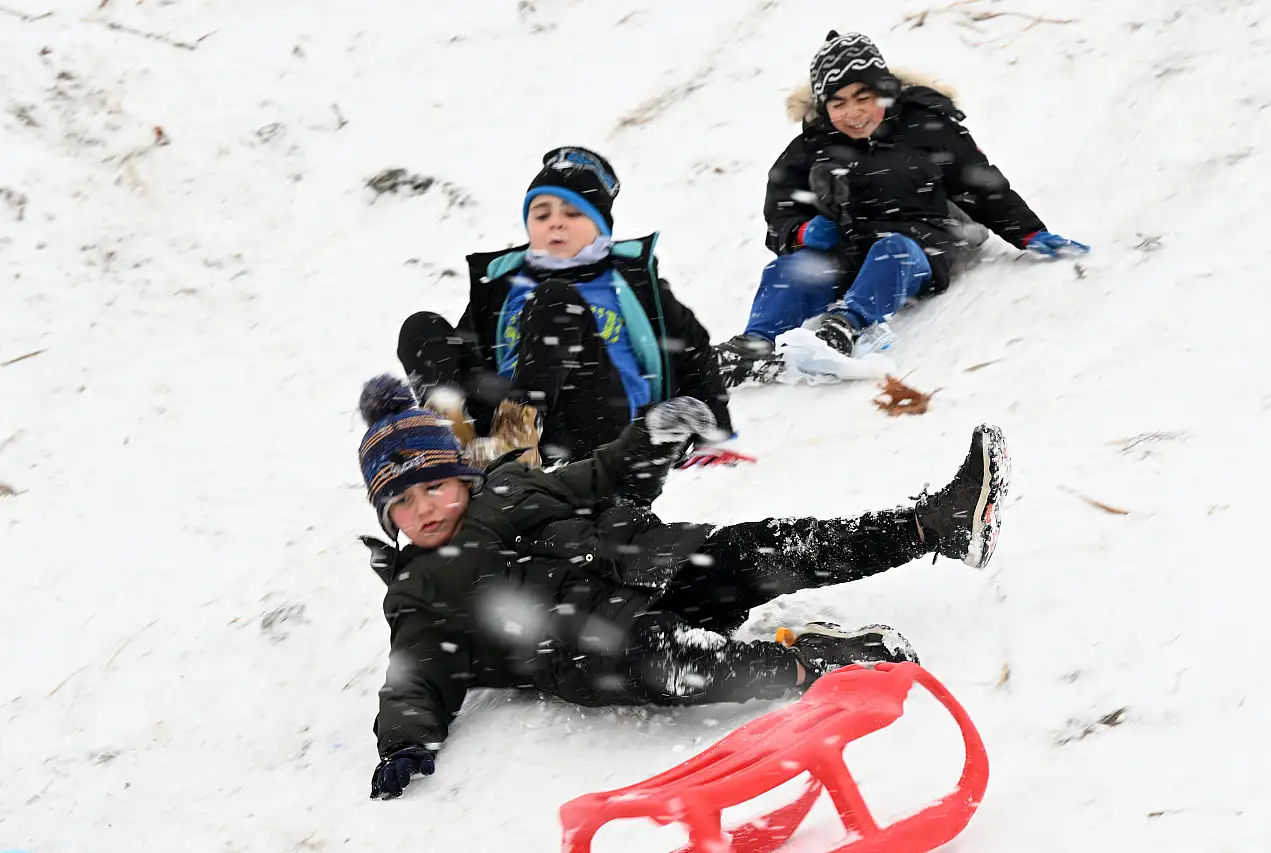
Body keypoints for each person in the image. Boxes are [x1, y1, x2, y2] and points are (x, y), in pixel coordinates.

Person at [353, 374, 1009, 799]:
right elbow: (415, 676)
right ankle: (814, 662)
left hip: (659, 573)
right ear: (389, 518)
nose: (426, 508)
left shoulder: (509, 486)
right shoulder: (419, 588)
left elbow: (599, 473)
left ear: (458, 475)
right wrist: (405, 740)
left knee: (757, 546)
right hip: (596, 649)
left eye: (433, 485)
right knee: (673, 660)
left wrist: (653, 436)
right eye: (403, 503)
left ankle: (934, 527)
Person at [717, 30, 1089, 387]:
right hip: (845, 251)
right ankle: (754, 345)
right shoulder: (808, 151)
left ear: (884, 92)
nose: (854, 113)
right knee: (789, 268)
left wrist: (1028, 232)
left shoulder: (924, 125)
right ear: (823, 106)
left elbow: (978, 184)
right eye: (838, 103)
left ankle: (845, 324)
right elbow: (780, 216)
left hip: (923, 242)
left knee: (892, 251)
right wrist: (802, 232)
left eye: (863, 97)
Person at [396, 146, 732, 466]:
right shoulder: (505, 286)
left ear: (601, 226)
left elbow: (693, 350)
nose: (555, 223)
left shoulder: (629, 280)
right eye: (541, 215)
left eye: (573, 213)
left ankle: (517, 437)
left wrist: (715, 434)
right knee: (422, 327)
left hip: (600, 420)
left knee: (555, 298)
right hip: (499, 418)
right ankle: (451, 439)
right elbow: (464, 355)